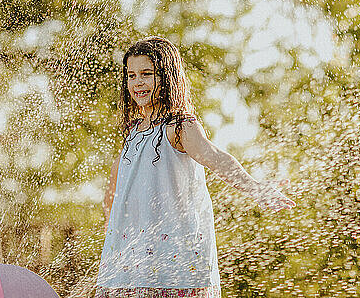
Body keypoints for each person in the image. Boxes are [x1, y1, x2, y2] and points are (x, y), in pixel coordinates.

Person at [95, 37, 296, 298]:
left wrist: (255, 188)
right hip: (129, 267)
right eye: (131, 75)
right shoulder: (133, 134)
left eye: (146, 74)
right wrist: (115, 234)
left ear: (167, 77)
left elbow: (214, 156)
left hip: (174, 265)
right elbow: (115, 188)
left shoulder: (180, 127)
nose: (137, 83)